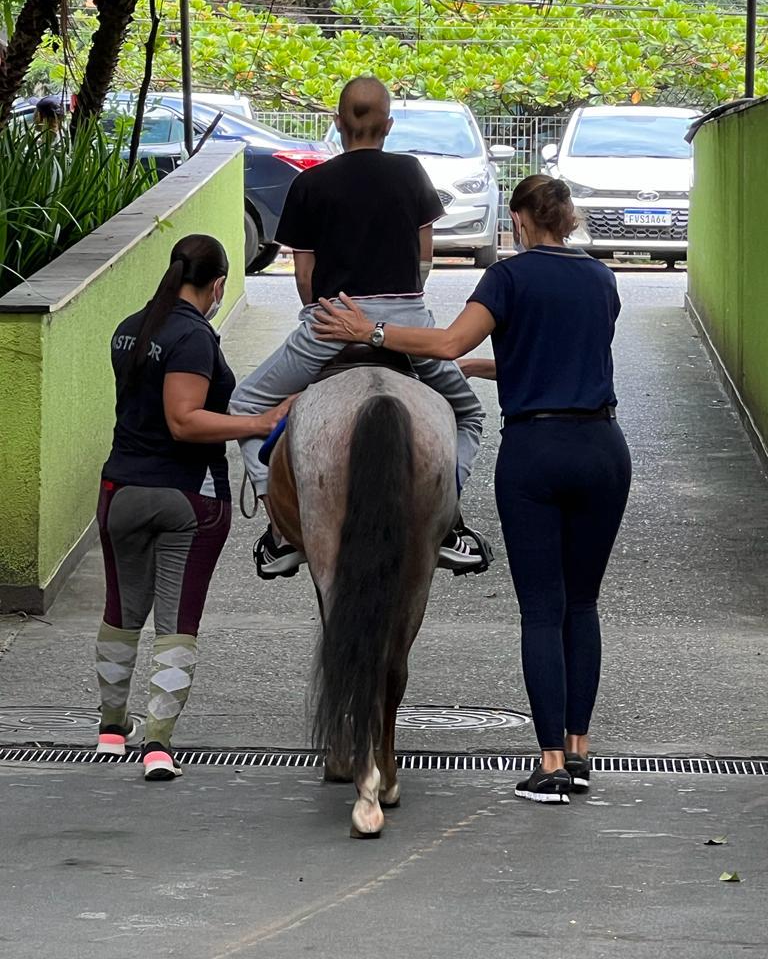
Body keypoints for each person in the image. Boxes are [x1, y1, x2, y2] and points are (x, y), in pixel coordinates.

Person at [312, 175, 632, 806]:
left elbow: (449, 340)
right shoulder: (602, 279)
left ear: (517, 221)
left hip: (537, 452)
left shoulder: (508, 278)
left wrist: (369, 332)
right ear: (567, 221)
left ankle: (548, 767)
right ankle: (580, 751)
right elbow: (560, 355)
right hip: (602, 448)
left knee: (541, 608)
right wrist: (482, 368)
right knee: (582, 604)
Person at [229, 77, 490, 579]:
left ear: (336, 122)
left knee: (246, 403)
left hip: (331, 322)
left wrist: (323, 317)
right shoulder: (411, 172)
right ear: (388, 126)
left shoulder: (309, 184)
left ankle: (282, 530)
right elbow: (424, 258)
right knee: (469, 414)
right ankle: (449, 523)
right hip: (406, 322)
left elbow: (305, 275)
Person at [94, 235, 292, 780]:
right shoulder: (193, 336)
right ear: (218, 284)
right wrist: (261, 422)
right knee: (177, 622)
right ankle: (157, 745)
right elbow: (185, 420)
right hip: (188, 495)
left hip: (120, 491)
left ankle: (112, 730)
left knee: (121, 610)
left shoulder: (130, 327)